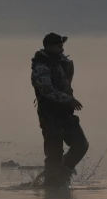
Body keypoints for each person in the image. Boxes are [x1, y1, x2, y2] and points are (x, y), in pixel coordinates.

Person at [31, 32, 89, 185]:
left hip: (65, 113)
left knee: (81, 145)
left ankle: (62, 174)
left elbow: (66, 84)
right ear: (49, 47)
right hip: (49, 115)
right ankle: (51, 184)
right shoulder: (40, 66)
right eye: (58, 46)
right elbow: (47, 90)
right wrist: (69, 100)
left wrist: (68, 101)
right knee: (54, 153)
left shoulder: (64, 63)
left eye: (62, 45)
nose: (62, 48)